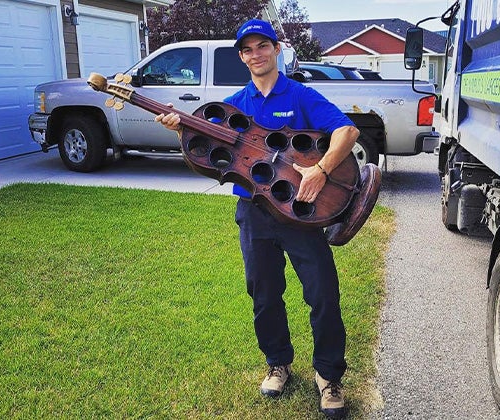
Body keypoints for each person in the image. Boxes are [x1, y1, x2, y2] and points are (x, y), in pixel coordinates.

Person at [154, 19, 359, 418]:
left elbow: (346, 132)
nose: (255, 55)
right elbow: (206, 156)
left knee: (322, 293)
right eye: (247, 50)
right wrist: (180, 130)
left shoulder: (298, 94)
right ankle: (278, 363)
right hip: (254, 212)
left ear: (276, 48)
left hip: (300, 213)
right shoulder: (235, 105)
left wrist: (321, 170)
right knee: (263, 295)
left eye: (261, 46)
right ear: (242, 56)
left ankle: (329, 376)